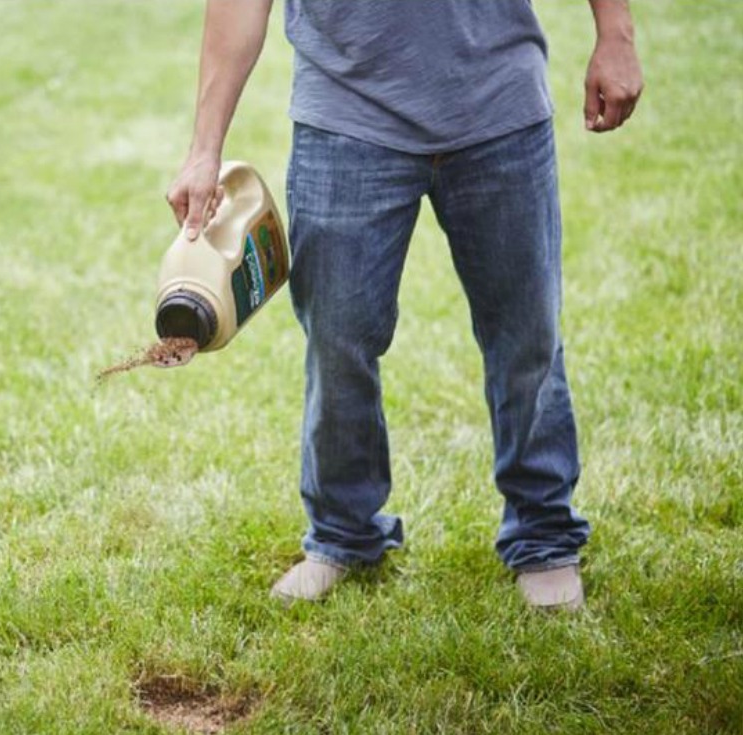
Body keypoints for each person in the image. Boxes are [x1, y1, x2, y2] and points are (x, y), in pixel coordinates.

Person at [166, 0, 643, 609]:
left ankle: (544, 533)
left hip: (499, 107)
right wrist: (205, 148)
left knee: (526, 337)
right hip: (345, 118)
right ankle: (342, 533)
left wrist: (616, 32)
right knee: (338, 341)